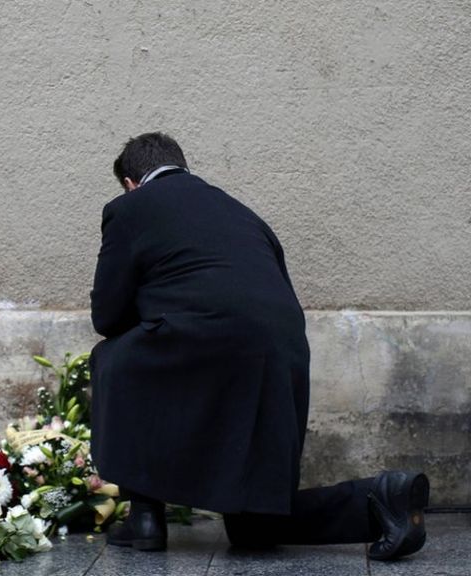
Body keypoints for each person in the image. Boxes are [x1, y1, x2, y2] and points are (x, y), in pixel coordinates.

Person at [88, 132, 429, 561]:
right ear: (183, 167)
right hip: (280, 357)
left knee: (113, 358)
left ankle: (145, 518)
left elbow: (108, 317)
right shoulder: (242, 213)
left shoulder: (129, 208)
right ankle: (380, 500)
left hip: (203, 344)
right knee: (252, 525)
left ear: (130, 183)